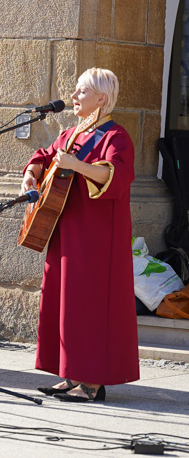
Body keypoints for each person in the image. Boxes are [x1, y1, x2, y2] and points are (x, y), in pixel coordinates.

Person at [21, 68, 139, 402]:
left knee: (90, 303)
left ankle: (92, 382)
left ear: (102, 99)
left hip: (97, 235)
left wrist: (76, 165)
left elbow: (115, 176)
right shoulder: (71, 133)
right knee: (64, 300)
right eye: (75, 90)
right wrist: (31, 174)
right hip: (65, 227)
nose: (74, 97)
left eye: (82, 91)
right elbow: (45, 156)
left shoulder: (116, 136)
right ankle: (71, 374)